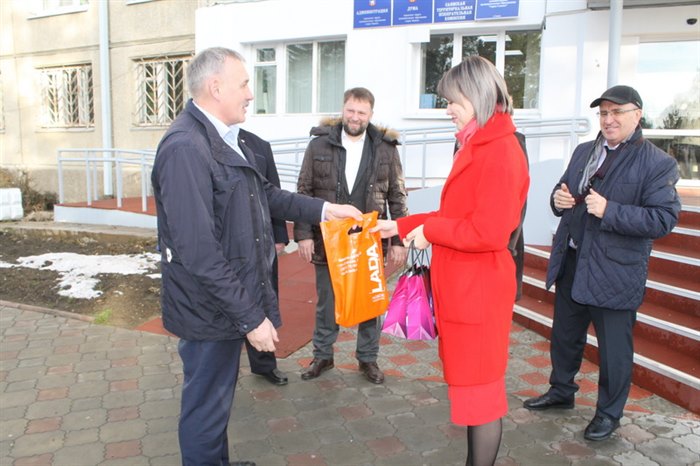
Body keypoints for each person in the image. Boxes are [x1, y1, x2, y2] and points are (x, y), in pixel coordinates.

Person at [151, 46, 362, 466]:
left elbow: (264, 194)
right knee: (205, 408)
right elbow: (198, 252)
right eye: (244, 84)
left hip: (221, 304)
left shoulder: (221, 139)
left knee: (216, 402)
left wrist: (325, 209)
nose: (251, 94)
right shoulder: (186, 147)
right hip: (208, 309)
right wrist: (250, 318)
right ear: (216, 88)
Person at [372, 56, 530, 466]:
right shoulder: (479, 143)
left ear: (476, 96)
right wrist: (399, 225)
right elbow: (455, 214)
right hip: (467, 289)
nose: (447, 110)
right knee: (473, 394)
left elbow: (489, 232)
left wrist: (431, 232)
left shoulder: (499, 150)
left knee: (482, 397)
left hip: (478, 292)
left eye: (452, 101)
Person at [523, 85, 681, 441]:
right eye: (603, 113)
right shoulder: (584, 151)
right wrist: (558, 199)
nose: (608, 119)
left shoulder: (658, 163)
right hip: (572, 260)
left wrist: (611, 211)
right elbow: (563, 191)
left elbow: (662, 220)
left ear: (637, 115)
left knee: (613, 350)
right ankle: (561, 391)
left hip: (615, 270)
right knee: (565, 336)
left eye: (617, 112)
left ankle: (609, 414)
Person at [294, 87, 409, 385]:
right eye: (350, 110)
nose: (355, 117)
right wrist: (303, 235)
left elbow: (397, 196)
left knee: (370, 299)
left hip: (369, 239)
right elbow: (304, 190)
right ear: (343, 109)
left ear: (370, 115)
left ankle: (368, 358)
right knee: (327, 301)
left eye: (361, 112)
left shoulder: (386, 148)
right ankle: (323, 355)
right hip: (328, 239)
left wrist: (399, 239)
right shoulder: (319, 145)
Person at [239, 128, 289, 386]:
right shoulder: (199, 143)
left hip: (262, 244)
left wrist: (280, 236)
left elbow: (273, 192)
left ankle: (264, 365)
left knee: (263, 302)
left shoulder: (258, 145)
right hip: (228, 246)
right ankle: (224, 368)